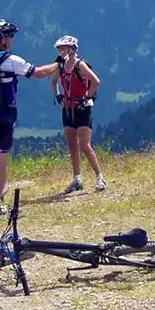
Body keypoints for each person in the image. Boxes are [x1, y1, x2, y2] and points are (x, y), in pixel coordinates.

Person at [0, 19, 61, 215]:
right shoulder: (10, 60)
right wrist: (58, 64)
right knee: (1, 163)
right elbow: (39, 73)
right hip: (5, 117)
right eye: (11, 37)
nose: (12, 40)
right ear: (3, 40)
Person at [51, 35, 105, 193]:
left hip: (82, 109)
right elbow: (53, 81)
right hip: (67, 108)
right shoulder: (60, 66)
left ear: (72, 49)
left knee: (85, 145)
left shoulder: (80, 65)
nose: (60, 51)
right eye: (59, 48)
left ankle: (100, 178)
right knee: (72, 145)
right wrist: (58, 95)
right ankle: (77, 179)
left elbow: (96, 81)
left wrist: (87, 97)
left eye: (63, 48)